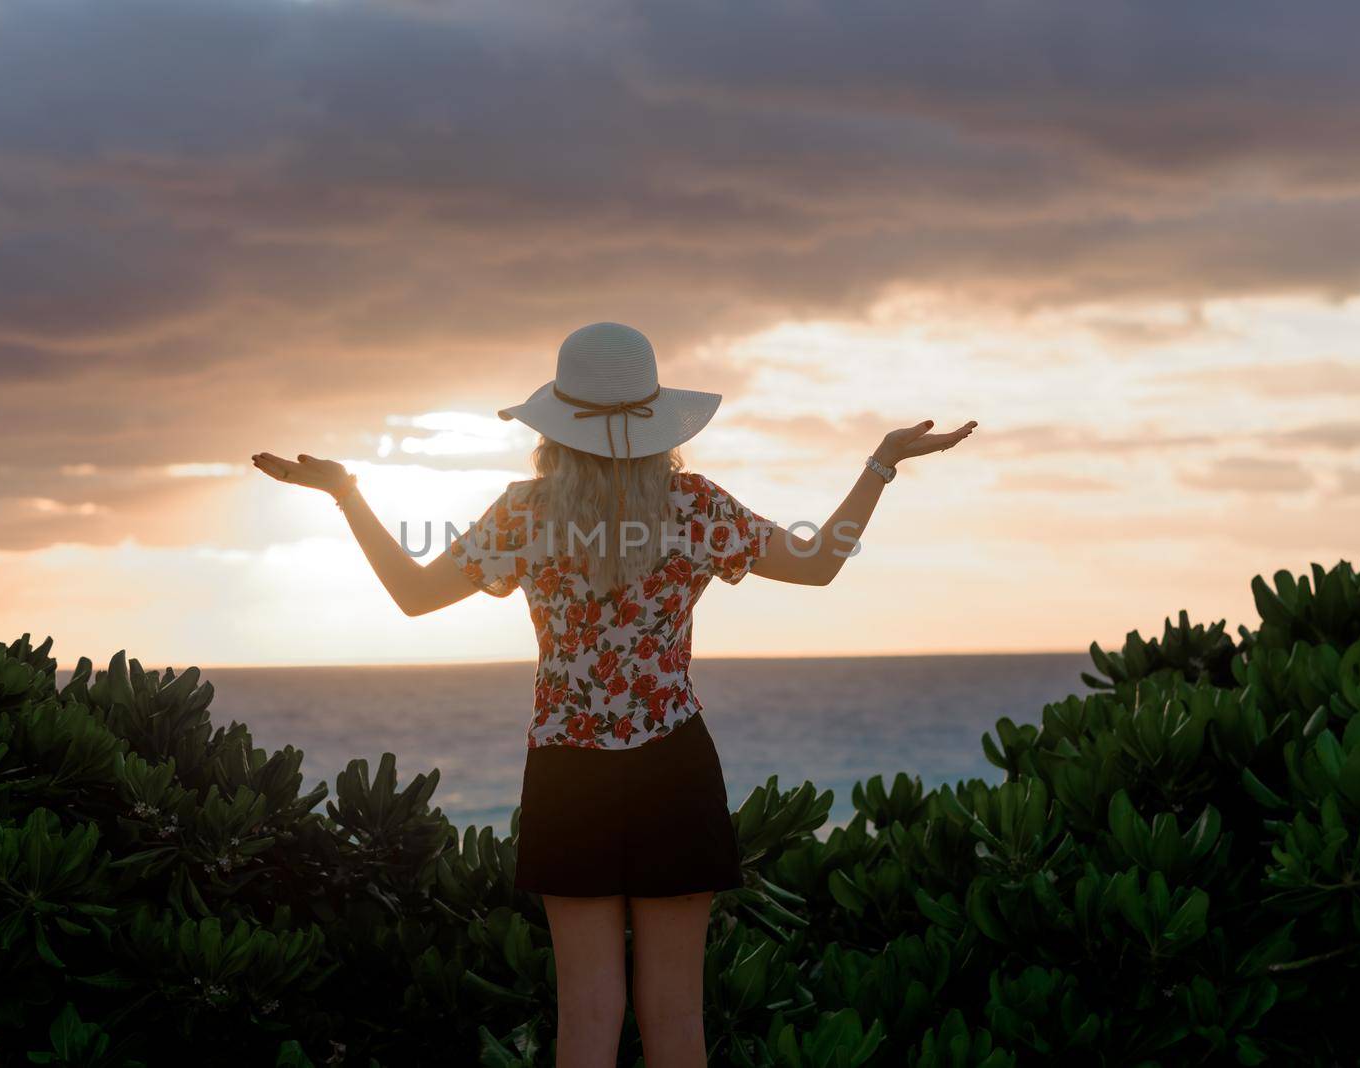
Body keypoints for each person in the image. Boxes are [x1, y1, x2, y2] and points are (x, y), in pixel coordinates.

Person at [252, 321, 976, 1067]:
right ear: (658, 422)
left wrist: (349, 496)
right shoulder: (695, 506)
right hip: (674, 767)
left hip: (569, 771)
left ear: (555, 427)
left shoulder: (523, 512)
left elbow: (411, 594)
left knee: (588, 1020)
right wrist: (880, 465)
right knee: (679, 1023)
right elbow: (821, 562)